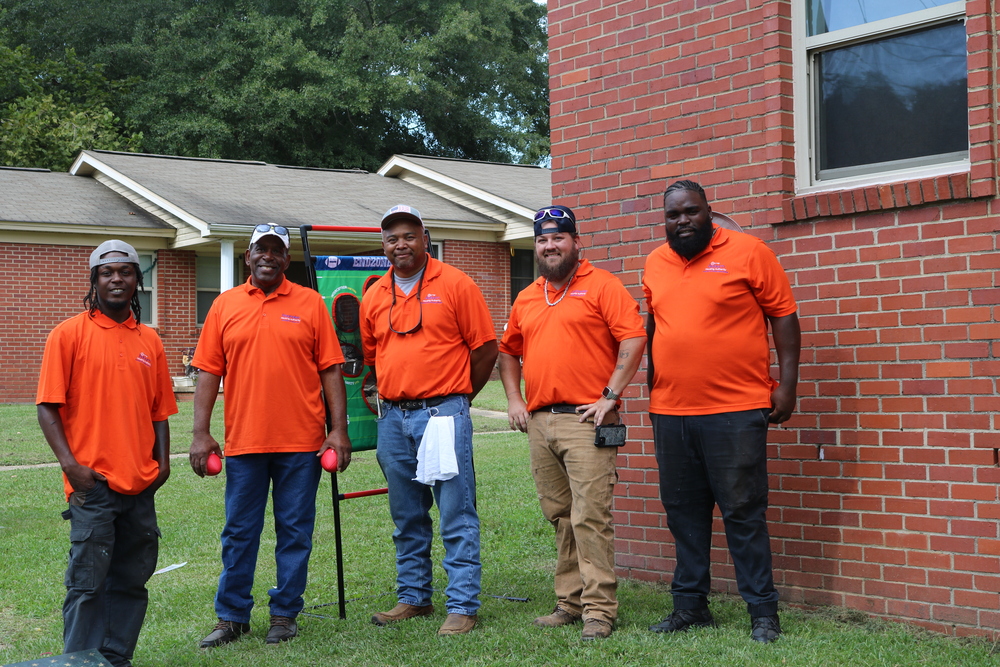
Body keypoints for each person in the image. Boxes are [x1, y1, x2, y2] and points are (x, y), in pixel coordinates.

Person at [643, 180, 800, 643]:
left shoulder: (751, 252)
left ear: (709, 212)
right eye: (673, 215)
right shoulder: (655, 262)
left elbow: (784, 319)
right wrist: (653, 390)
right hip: (671, 411)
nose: (682, 221)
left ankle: (762, 612)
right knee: (682, 511)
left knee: (743, 510)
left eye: (691, 211)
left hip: (736, 408)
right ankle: (690, 607)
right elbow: (655, 328)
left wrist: (786, 387)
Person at [189, 223, 352, 647]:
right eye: (260, 249)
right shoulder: (225, 306)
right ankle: (231, 617)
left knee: (294, 531)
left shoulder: (311, 303)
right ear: (248, 256)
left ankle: (284, 614)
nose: (268, 256)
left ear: (286, 259)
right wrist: (201, 433)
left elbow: (331, 368)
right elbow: (208, 371)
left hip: (302, 443)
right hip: (244, 442)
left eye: (276, 251)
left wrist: (338, 431)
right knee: (239, 532)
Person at [498, 206, 646, 640]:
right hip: (541, 422)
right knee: (560, 515)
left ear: (576, 242)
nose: (549, 246)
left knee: (590, 516)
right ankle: (570, 601)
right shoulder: (528, 295)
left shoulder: (602, 285)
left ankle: (599, 611)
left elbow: (634, 337)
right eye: (542, 240)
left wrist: (610, 396)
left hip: (586, 419)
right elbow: (508, 351)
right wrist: (513, 398)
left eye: (558, 237)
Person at [36, 240, 177, 667]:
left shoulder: (149, 340)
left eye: (126, 272)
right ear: (94, 281)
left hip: (140, 483)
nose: (116, 279)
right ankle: (79, 661)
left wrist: (163, 462)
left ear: (137, 281)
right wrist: (70, 467)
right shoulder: (68, 334)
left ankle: (116, 659)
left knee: (132, 581)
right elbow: (47, 407)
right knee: (88, 584)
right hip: (92, 484)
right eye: (106, 272)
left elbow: (160, 412)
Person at [359, 204, 498, 636]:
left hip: (443, 415)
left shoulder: (456, 283)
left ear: (425, 238)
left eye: (408, 235)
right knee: (407, 514)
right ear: (384, 245)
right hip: (393, 419)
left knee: (455, 511)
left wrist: (458, 399)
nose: (400, 244)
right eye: (391, 238)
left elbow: (485, 349)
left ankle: (462, 605)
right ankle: (414, 597)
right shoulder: (375, 294)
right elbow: (371, 358)